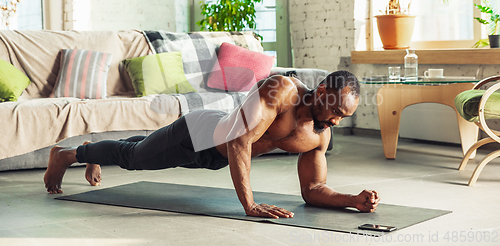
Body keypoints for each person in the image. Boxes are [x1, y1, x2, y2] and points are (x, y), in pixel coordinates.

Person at [44, 70, 380, 218]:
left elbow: (313, 188)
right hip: (200, 134)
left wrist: (352, 200)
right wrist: (250, 205)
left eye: (342, 117)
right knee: (135, 158)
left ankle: (91, 149)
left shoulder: (319, 134)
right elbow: (239, 140)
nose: (336, 120)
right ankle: (69, 154)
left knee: (143, 148)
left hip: (215, 158)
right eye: (335, 110)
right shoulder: (281, 91)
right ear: (321, 91)